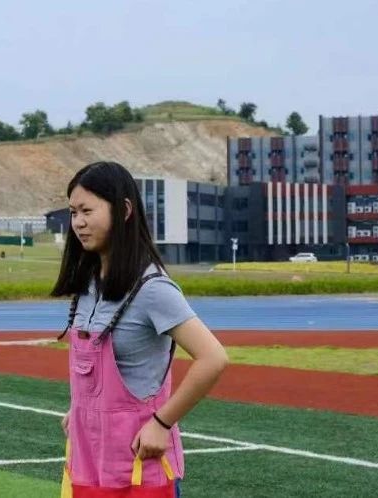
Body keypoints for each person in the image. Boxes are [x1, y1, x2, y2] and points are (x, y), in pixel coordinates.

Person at [53, 162, 228, 496]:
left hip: (139, 465)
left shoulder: (152, 289)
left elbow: (213, 358)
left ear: (124, 210)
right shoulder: (87, 286)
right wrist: (81, 410)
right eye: (73, 212)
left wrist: (162, 423)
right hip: (90, 462)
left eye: (87, 211)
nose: (78, 222)